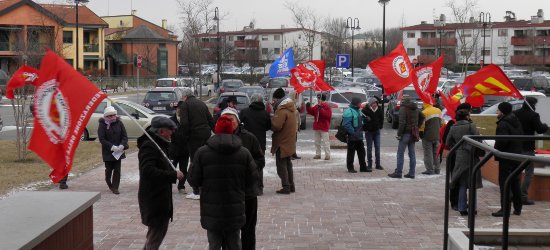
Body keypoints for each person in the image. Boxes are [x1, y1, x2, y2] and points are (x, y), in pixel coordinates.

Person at [188, 115, 258, 250]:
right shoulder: (244, 153)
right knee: (234, 243)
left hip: (211, 209)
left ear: (216, 130)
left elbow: (193, 179)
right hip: (235, 207)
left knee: (214, 244)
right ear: (232, 130)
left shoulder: (202, 153)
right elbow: (253, 179)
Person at [137, 116, 184, 249]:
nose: (172, 133)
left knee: (155, 234)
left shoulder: (160, 144)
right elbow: (147, 170)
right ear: (162, 131)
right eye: (171, 130)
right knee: (156, 235)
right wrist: (172, 174)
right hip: (154, 198)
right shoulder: (149, 146)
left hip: (160, 197)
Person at [221, 108, 264, 250]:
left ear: (238, 121)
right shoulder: (216, 140)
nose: (229, 122)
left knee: (248, 229)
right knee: (228, 230)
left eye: (231, 119)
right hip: (227, 193)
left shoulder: (249, 137)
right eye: (225, 119)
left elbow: (260, 160)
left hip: (248, 192)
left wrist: (249, 169)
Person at [445, 109, 483, 216]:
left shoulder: (453, 127)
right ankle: (472, 208)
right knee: (472, 184)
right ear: (467, 116)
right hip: (471, 156)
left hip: (459, 157)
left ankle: (462, 208)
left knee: (462, 183)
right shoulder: (471, 126)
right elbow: (478, 140)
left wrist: (457, 148)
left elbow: (447, 143)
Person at [179, 88, 214, 200]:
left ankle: (196, 190)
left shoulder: (185, 105)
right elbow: (210, 119)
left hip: (194, 136)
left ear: (185, 97)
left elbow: (184, 123)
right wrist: (216, 132)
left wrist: (185, 136)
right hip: (206, 134)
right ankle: (205, 186)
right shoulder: (201, 103)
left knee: (194, 161)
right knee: (204, 159)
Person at [513, 96, 548, 205]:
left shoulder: (515, 113)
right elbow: (540, 129)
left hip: (515, 146)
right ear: (532, 105)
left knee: (515, 172)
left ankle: (513, 194)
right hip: (527, 147)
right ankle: (523, 196)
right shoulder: (533, 115)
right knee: (529, 172)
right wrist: (545, 125)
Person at [492, 102, 523, 217]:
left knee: (504, 183)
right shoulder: (516, 121)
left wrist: (496, 149)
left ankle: (504, 210)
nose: (496, 113)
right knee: (515, 182)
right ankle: (518, 208)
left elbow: (503, 141)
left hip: (506, 157)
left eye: (498, 111)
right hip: (516, 156)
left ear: (503, 112)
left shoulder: (503, 124)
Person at [240, 93, 271, 195]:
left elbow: (240, 125)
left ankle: (246, 187)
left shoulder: (244, 112)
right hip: (260, 142)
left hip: (246, 142)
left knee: (244, 164)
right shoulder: (265, 113)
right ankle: (259, 187)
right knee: (259, 164)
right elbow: (268, 126)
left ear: (251, 101)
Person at [388, 97, 424, 179]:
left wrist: (399, 134)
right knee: (412, 154)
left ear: (404, 102)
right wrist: (417, 126)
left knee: (400, 153)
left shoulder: (403, 109)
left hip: (405, 134)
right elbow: (422, 116)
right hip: (413, 134)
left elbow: (402, 123)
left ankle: (398, 172)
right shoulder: (416, 108)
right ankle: (412, 173)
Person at [271, 87, 298, 194]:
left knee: (281, 166)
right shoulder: (291, 108)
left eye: (274, 99)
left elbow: (276, 126)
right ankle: (291, 186)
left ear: (278, 99)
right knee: (288, 164)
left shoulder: (282, 110)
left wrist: (272, 119)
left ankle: (286, 186)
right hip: (289, 141)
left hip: (282, 142)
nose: (273, 101)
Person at [98, 106, 129, 195]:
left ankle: (115, 187)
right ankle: (109, 183)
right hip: (108, 151)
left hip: (118, 152)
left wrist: (122, 145)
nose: (112, 117)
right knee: (109, 170)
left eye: (113, 115)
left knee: (117, 170)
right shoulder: (102, 124)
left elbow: (125, 136)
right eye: (110, 116)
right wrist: (112, 146)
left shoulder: (119, 123)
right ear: (106, 116)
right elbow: (102, 139)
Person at [169, 101, 190, 193]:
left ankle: (181, 186)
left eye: (181, 109)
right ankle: (168, 184)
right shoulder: (171, 120)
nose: (179, 110)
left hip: (185, 149)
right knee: (171, 168)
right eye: (178, 108)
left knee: (184, 169)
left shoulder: (188, 121)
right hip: (173, 149)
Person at [343, 97, 366, 173]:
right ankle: (350, 168)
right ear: (356, 103)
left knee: (362, 152)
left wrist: (365, 121)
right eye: (360, 103)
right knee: (351, 153)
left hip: (359, 136)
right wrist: (353, 132)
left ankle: (363, 167)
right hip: (352, 136)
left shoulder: (358, 111)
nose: (361, 104)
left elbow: (360, 123)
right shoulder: (348, 112)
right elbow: (346, 125)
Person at [306, 93, 332, 160]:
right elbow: (312, 112)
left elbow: (327, 116)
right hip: (317, 126)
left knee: (326, 142)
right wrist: (308, 107)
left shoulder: (326, 106)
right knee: (317, 142)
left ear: (321, 99)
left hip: (324, 126)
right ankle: (318, 154)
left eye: (318, 98)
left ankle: (327, 155)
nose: (317, 99)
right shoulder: (317, 106)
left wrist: (321, 110)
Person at [361, 97, 384, 170]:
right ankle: (369, 164)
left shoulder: (379, 109)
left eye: (376, 103)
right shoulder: (365, 110)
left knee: (377, 148)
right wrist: (366, 121)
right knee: (369, 148)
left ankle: (378, 164)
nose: (375, 105)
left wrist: (380, 126)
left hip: (376, 131)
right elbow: (362, 120)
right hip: (369, 132)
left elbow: (381, 119)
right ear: (370, 104)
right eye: (373, 103)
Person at [420, 103, 443, 175]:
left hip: (427, 136)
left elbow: (422, 126)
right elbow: (442, 123)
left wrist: (421, 133)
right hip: (437, 136)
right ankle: (437, 169)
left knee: (428, 153)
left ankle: (430, 170)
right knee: (436, 153)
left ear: (424, 104)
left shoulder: (424, 112)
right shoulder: (438, 110)